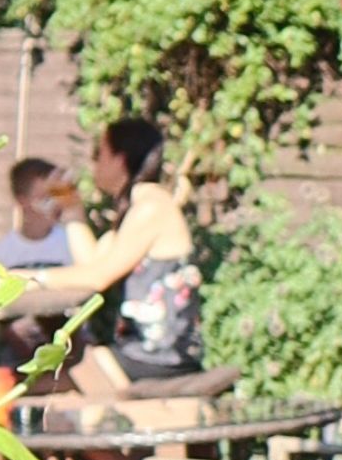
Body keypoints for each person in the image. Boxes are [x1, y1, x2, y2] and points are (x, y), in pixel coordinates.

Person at [20, 117, 205, 382]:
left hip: (161, 354)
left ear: (120, 159)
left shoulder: (152, 206)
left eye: (99, 154)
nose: (93, 163)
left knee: (52, 384)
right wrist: (72, 210)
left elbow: (98, 277)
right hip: (140, 350)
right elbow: (92, 264)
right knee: (52, 378)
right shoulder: (136, 207)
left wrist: (28, 279)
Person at [0, 157, 87, 272]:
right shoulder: (1, 254)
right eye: (46, 198)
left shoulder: (75, 245)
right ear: (22, 200)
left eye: (57, 194)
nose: (57, 203)